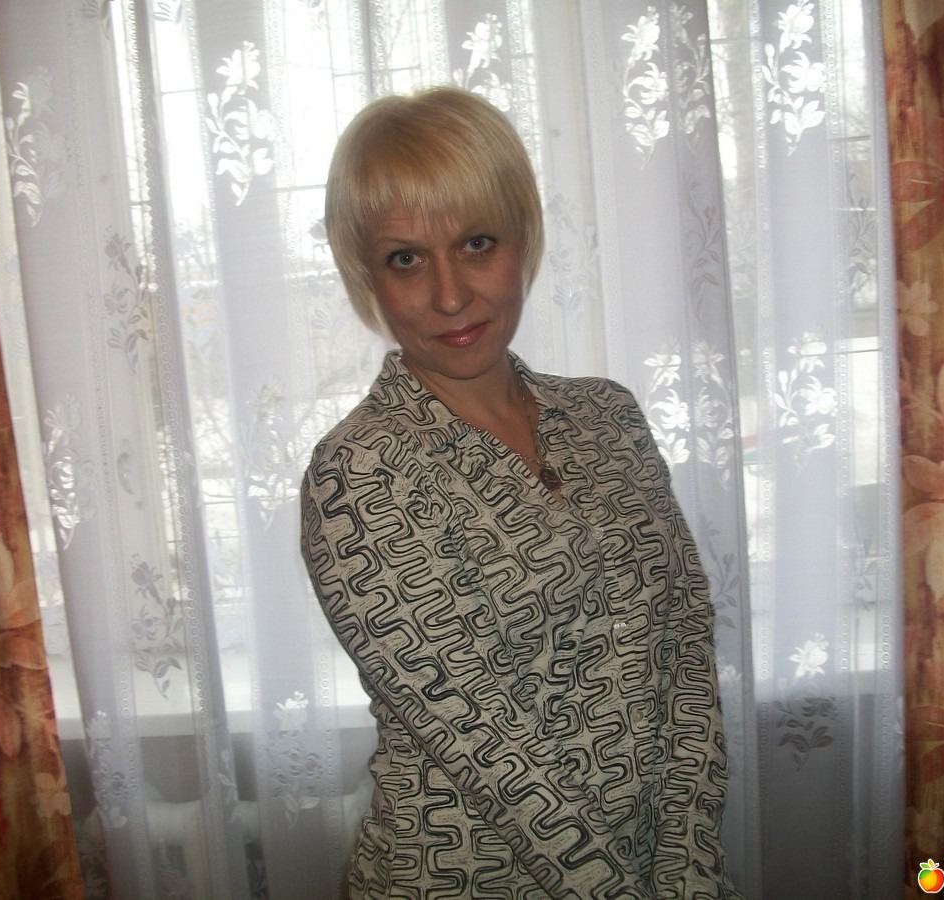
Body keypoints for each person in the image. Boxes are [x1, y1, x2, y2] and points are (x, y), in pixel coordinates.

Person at [300, 85, 739, 899]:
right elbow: (489, 750)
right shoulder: (360, 473)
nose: (449, 295)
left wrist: (689, 866)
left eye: (476, 243)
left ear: (524, 237)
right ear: (367, 275)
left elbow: (684, 652)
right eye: (406, 259)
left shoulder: (608, 416)